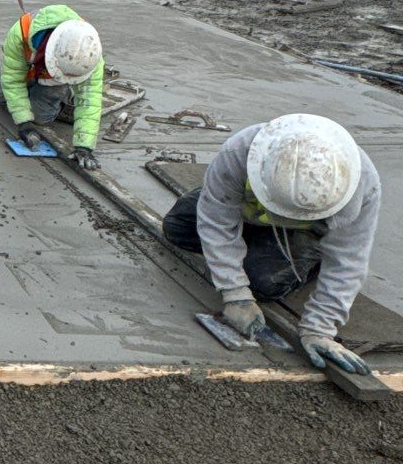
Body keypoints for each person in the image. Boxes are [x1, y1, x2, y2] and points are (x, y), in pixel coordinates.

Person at [161, 114, 379, 372]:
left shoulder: (361, 184)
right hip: (247, 211)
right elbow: (216, 220)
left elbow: (348, 260)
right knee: (178, 227)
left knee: (263, 284)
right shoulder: (239, 152)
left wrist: (319, 329)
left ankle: (311, 255)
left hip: (304, 231)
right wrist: (235, 294)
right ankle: (256, 244)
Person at [0, 5, 104, 171]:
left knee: (39, 118)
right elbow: (13, 80)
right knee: (1, 98)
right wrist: (23, 122)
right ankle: (36, 88)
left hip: (52, 80)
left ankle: (65, 97)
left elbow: (90, 99)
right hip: (28, 65)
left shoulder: (89, 52)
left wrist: (84, 146)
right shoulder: (21, 32)